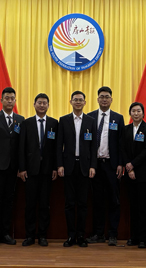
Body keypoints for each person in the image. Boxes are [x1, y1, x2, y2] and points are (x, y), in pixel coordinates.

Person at [56, 90, 97, 248]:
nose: (78, 102)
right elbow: (59, 145)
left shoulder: (90, 121)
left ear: (85, 103)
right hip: (68, 166)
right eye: (75, 100)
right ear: (71, 102)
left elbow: (93, 146)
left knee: (83, 204)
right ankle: (70, 236)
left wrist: (93, 165)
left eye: (81, 100)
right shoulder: (64, 120)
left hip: (85, 167)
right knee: (69, 203)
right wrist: (60, 165)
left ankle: (81, 236)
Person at [85, 86, 124, 246]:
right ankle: (98, 233)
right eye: (101, 96)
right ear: (97, 99)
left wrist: (120, 163)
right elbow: (86, 141)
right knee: (97, 201)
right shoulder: (90, 117)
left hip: (111, 165)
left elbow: (121, 143)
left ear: (111, 99)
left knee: (114, 200)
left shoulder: (118, 118)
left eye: (107, 97)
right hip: (95, 165)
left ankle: (113, 234)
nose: (104, 99)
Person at [0, 87, 24, 246]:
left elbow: (21, 146)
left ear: (15, 101)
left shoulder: (20, 120)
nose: (9, 101)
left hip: (13, 168)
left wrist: (21, 167)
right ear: (1, 100)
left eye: (12, 98)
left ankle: (5, 233)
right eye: (6, 98)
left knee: (9, 201)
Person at [18, 93, 58, 247]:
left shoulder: (54, 123)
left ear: (48, 105)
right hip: (30, 170)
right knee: (30, 204)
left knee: (44, 205)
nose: (42, 105)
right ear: (34, 104)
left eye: (44, 103)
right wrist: (22, 168)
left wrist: (54, 167)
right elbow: (21, 147)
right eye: (39, 103)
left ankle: (42, 235)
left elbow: (56, 148)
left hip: (47, 171)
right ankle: (29, 236)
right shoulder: (26, 123)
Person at [121, 102, 146, 248]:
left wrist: (133, 164)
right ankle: (133, 237)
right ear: (130, 113)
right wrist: (129, 167)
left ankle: (143, 238)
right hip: (130, 174)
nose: (136, 113)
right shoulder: (125, 129)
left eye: (138, 111)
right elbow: (122, 149)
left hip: (144, 174)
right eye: (133, 111)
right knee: (133, 207)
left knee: (143, 207)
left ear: (143, 113)